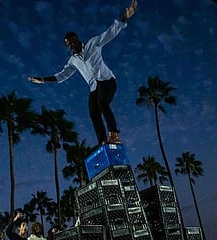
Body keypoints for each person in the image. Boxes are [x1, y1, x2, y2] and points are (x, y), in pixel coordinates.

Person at [28, 0, 138, 145]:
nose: (70, 46)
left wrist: (124, 17)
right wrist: (42, 80)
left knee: (103, 104)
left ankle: (114, 134)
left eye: (72, 42)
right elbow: (62, 76)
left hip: (107, 81)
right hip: (94, 87)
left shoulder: (93, 43)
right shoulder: (73, 61)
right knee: (93, 113)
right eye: (68, 45)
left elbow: (110, 33)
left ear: (77, 39)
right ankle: (102, 141)